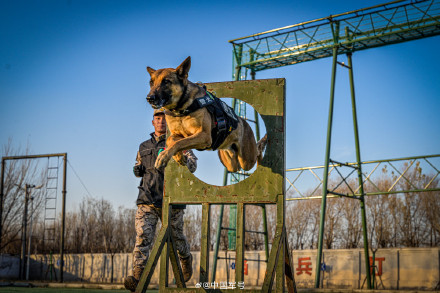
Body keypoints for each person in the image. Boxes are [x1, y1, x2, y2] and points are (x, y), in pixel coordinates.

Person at [124, 109, 197, 291]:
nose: (161, 121)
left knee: (176, 237)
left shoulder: (180, 142)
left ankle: (186, 260)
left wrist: (182, 159)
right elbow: (138, 166)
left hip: (172, 201)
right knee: (143, 237)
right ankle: (138, 277)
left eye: (165, 118)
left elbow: (193, 165)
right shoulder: (144, 146)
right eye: (158, 118)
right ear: (153, 122)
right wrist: (137, 169)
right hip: (147, 199)